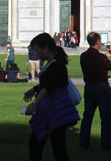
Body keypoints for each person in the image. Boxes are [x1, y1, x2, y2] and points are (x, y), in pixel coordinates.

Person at [23, 32, 79, 161]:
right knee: (43, 143)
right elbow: (48, 83)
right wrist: (33, 89)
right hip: (51, 110)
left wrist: (35, 102)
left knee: (56, 147)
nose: (36, 54)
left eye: (37, 50)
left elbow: (49, 87)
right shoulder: (52, 64)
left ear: (46, 48)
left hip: (56, 110)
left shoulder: (56, 65)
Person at [79, 32, 111, 151]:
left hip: (89, 87)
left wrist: (105, 56)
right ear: (97, 42)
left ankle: (84, 144)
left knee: (87, 117)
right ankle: (106, 145)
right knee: (105, 118)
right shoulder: (100, 57)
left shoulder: (83, 56)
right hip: (101, 87)